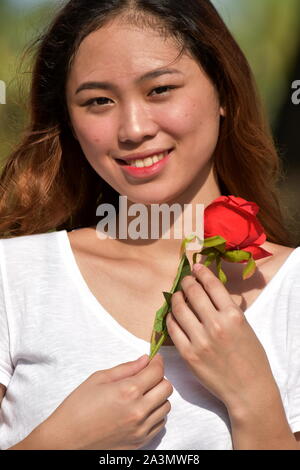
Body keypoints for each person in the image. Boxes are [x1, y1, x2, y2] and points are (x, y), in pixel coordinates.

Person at [0, 0, 299, 451]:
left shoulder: (293, 292)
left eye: (159, 90)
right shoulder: (13, 275)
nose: (133, 128)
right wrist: (62, 440)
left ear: (223, 92)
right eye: (98, 101)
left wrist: (254, 400)